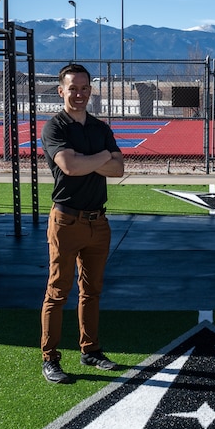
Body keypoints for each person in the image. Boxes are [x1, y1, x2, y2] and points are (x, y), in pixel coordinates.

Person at [39, 63, 126, 384]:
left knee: (91, 291)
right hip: (66, 220)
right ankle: (50, 358)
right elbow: (69, 167)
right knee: (58, 291)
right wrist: (103, 156)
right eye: (72, 88)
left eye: (84, 88)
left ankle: (90, 350)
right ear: (61, 91)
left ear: (91, 90)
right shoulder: (55, 127)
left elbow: (118, 170)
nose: (79, 94)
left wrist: (90, 160)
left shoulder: (100, 127)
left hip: (97, 222)